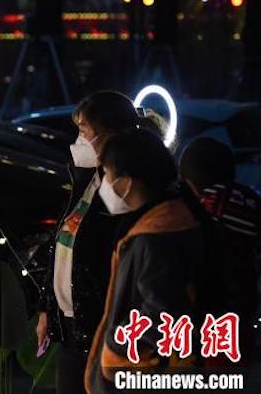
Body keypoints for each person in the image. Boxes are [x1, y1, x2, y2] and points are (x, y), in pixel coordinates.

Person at [36, 91, 142, 394]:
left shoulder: (127, 189)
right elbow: (61, 247)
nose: (78, 139)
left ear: (111, 134)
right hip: (73, 326)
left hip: (105, 329)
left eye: (84, 131)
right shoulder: (88, 181)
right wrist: (48, 309)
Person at [85, 129, 205, 394]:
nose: (104, 183)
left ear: (128, 181)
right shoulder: (167, 220)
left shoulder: (156, 236)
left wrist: (116, 349)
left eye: (107, 174)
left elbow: (163, 317)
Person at [179, 137, 260, 362]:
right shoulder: (248, 201)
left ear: (189, 183)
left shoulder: (197, 212)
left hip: (212, 315)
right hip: (244, 309)